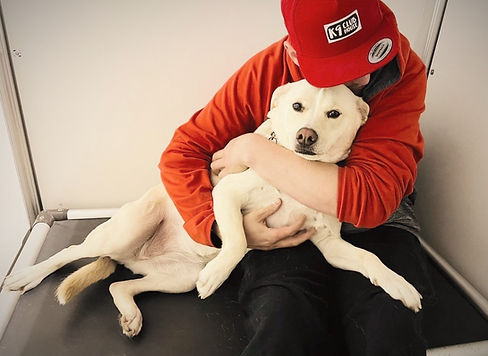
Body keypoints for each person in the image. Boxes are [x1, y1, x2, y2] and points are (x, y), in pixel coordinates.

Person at [159, 0, 433, 355]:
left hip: (377, 223)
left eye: (366, 61)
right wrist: (220, 228)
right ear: (295, 55)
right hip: (279, 215)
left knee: (390, 324)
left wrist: (253, 149)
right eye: (337, 70)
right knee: (283, 318)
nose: (359, 82)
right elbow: (182, 153)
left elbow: (372, 202)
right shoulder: (268, 71)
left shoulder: (402, 69)